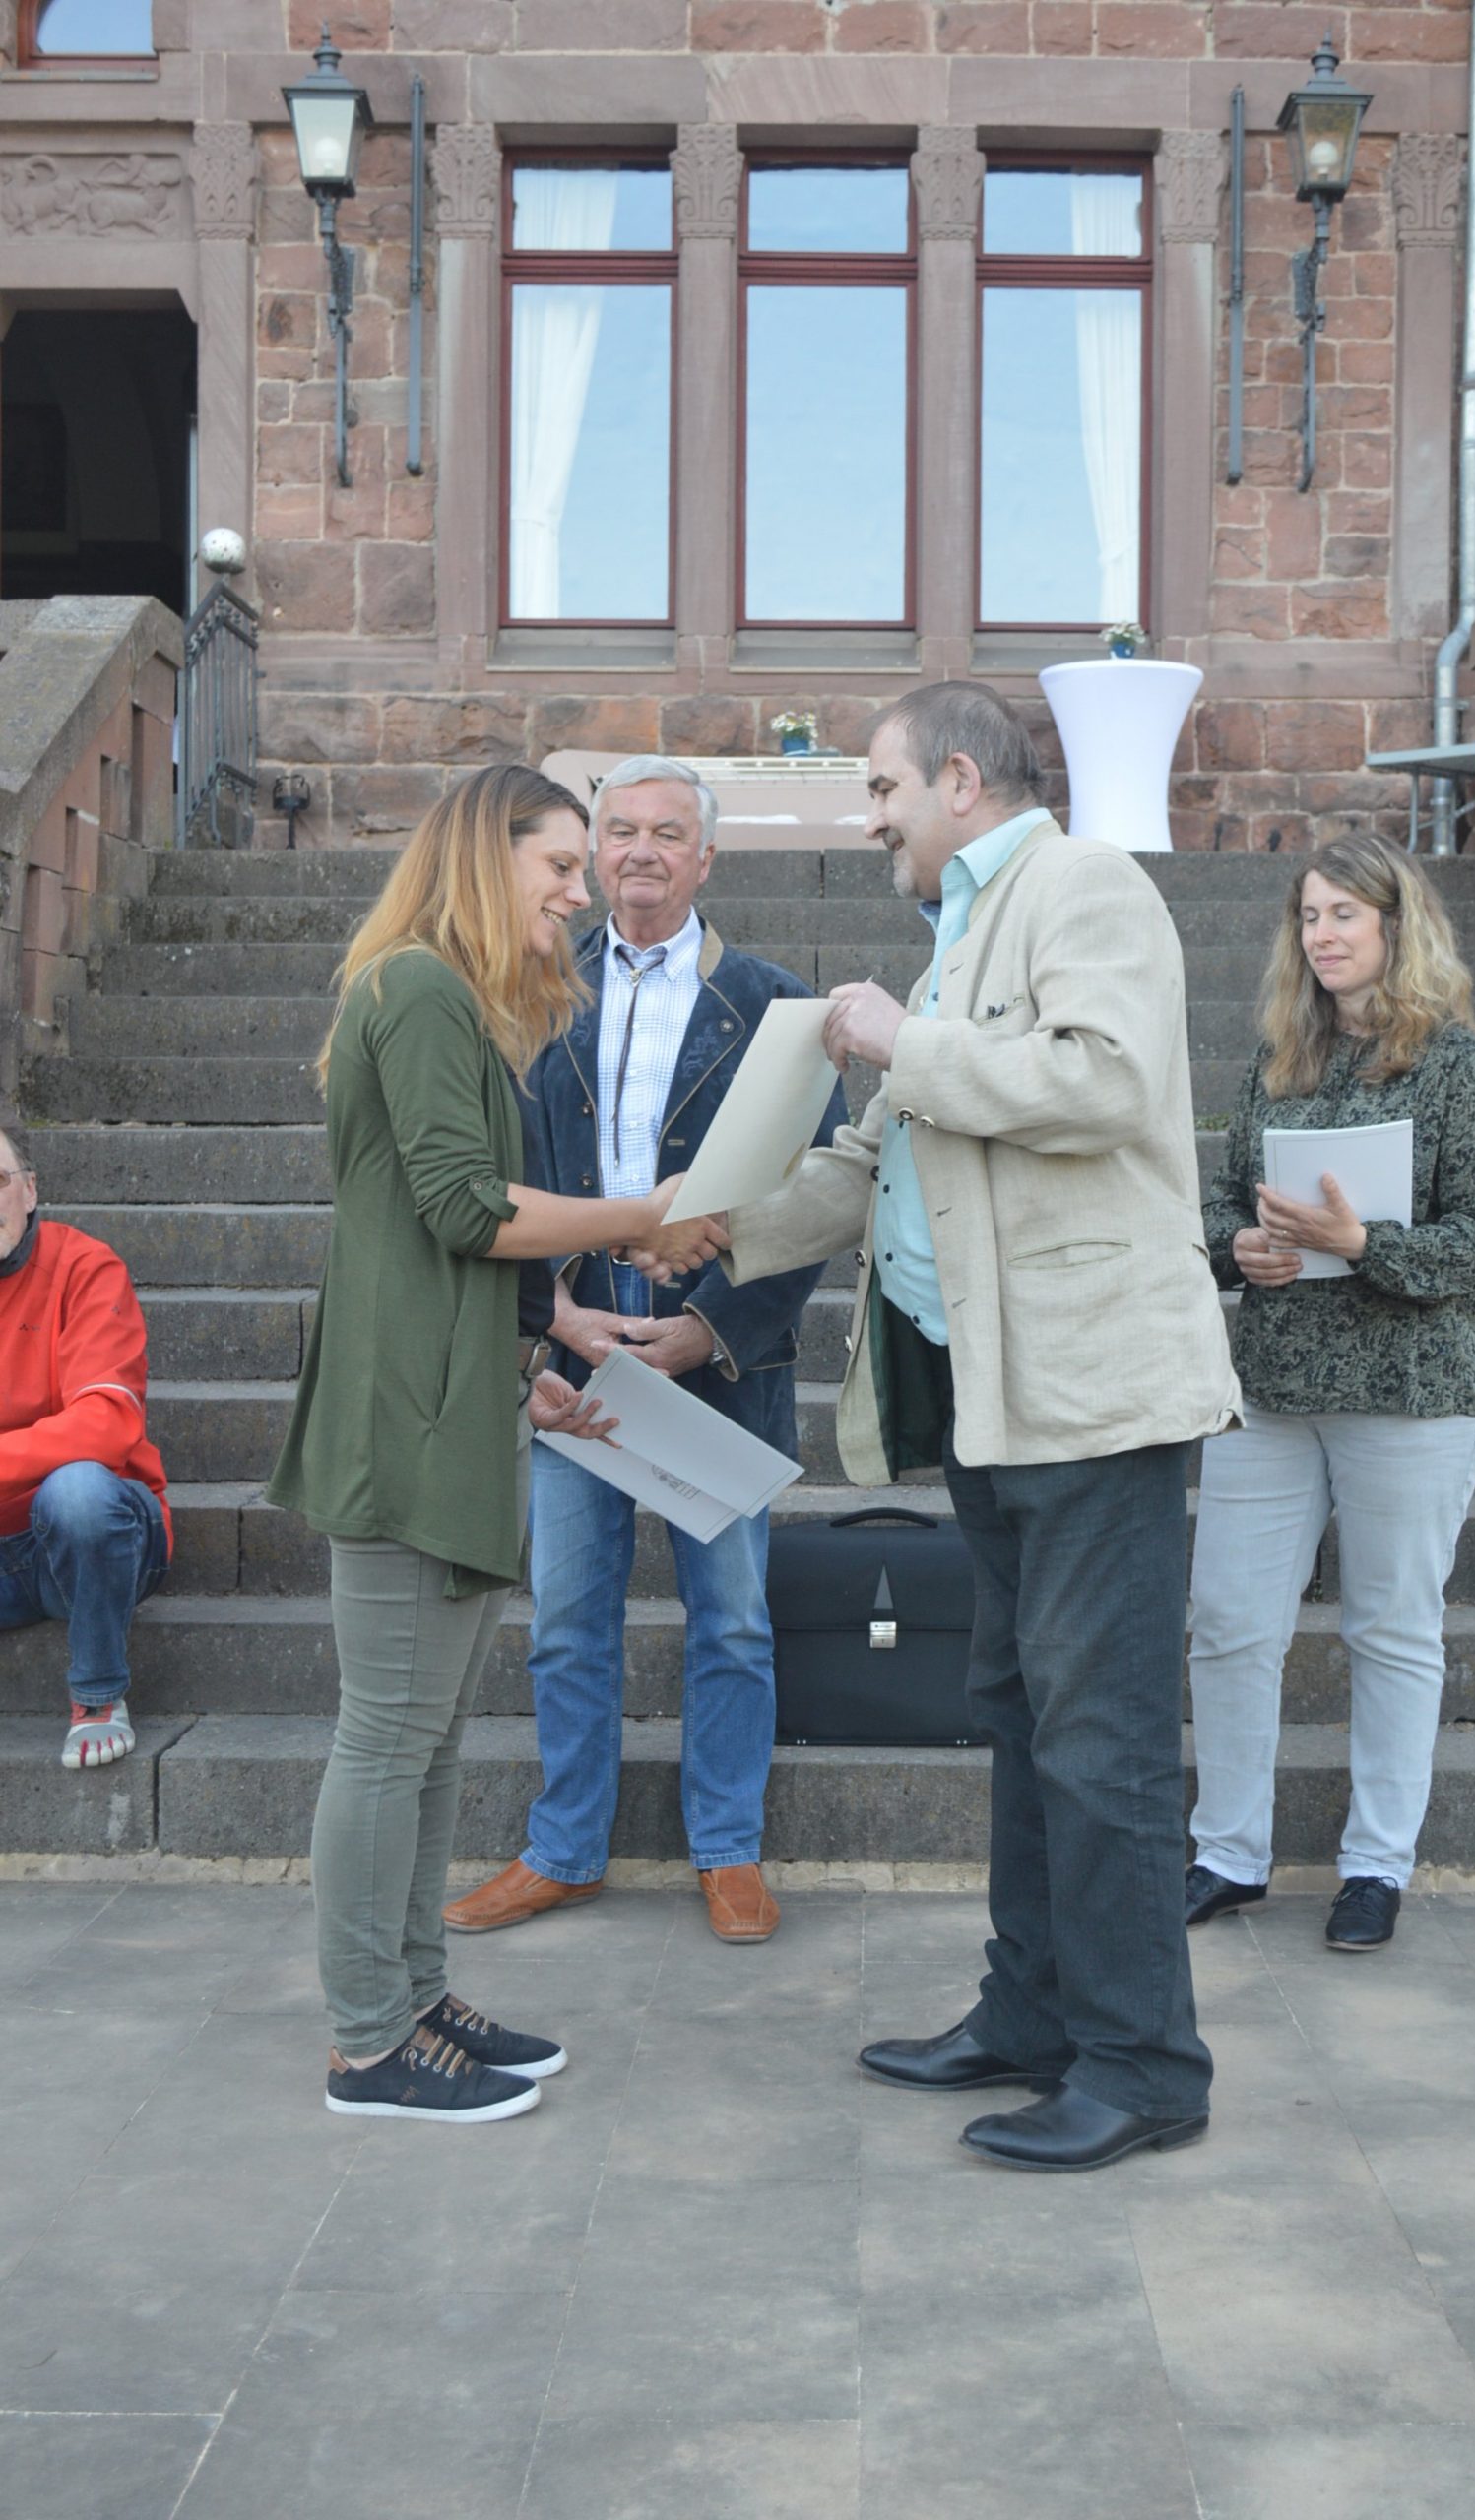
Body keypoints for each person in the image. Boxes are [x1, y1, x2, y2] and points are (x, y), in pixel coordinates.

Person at [718, 681, 1241, 2173]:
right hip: (997, 1397)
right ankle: (1032, 2015)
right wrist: (705, 1229)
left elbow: (1104, 1081)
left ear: (959, 778)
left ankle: (1141, 2065)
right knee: (1021, 1712)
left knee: (1100, 1737)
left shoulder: (1086, 885)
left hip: (1092, 1397)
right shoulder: (959, 927)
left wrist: (902, 1041)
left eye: (880, 788)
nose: (868, 818)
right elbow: (875, 1156)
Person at [268, 766, 724, 2125]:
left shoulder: (445, 998)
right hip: (402, 1419)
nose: (581, 892)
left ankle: (414, 1998)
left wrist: (530, 1367)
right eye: (559, 864)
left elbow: (446, 1241)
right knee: (387, 1737)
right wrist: (639, 1214)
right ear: (484, 855)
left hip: (451, 1405)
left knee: (428, 1739)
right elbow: (466, 1209)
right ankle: (368, 2041)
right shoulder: (414, 987)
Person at [444, 755, 846, 1947]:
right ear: (592, 850)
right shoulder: (528, 982)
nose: (639, 851)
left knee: (732, 1619)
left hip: (717, 1343)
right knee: (568, 1615)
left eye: (668, 832)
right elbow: (489, 1171)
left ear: (705, 856)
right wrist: (551, 1314)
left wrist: (714, 1323)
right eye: (618, 829)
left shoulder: (772, 1002)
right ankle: (564, 1848)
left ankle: (728, 1848)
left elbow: (817, 1191)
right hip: (572, 1333)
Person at [1186, 831, 1475, 1951]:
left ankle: (1376, 1866)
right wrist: (1241, 1247)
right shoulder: (1277, 1059)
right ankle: (1227, 1852)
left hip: (1413, 1392)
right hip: (1274, 1387)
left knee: (1391, 1632)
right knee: (1229, 1624)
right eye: (1309, 916)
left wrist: (1362, 1243)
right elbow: (1221, 1203)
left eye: (1343, 914)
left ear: (1394, 924)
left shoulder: (1454, 1063)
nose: (1322, 935)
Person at [0, 1121, 171, 1771]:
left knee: (77, 1490)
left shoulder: (84, 1267)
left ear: (30, 1190)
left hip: (95, 1543)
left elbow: (105, 1426)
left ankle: (98, 1695)